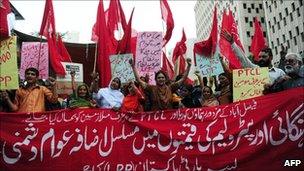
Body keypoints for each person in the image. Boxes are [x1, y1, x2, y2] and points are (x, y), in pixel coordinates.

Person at [221, 30, 286, 84]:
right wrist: (232, 43)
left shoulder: (280, 72)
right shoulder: (254, 70)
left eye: (264, 57)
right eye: (259, 57)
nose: (261, 59)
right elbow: (243, 59)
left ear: (271, 57)